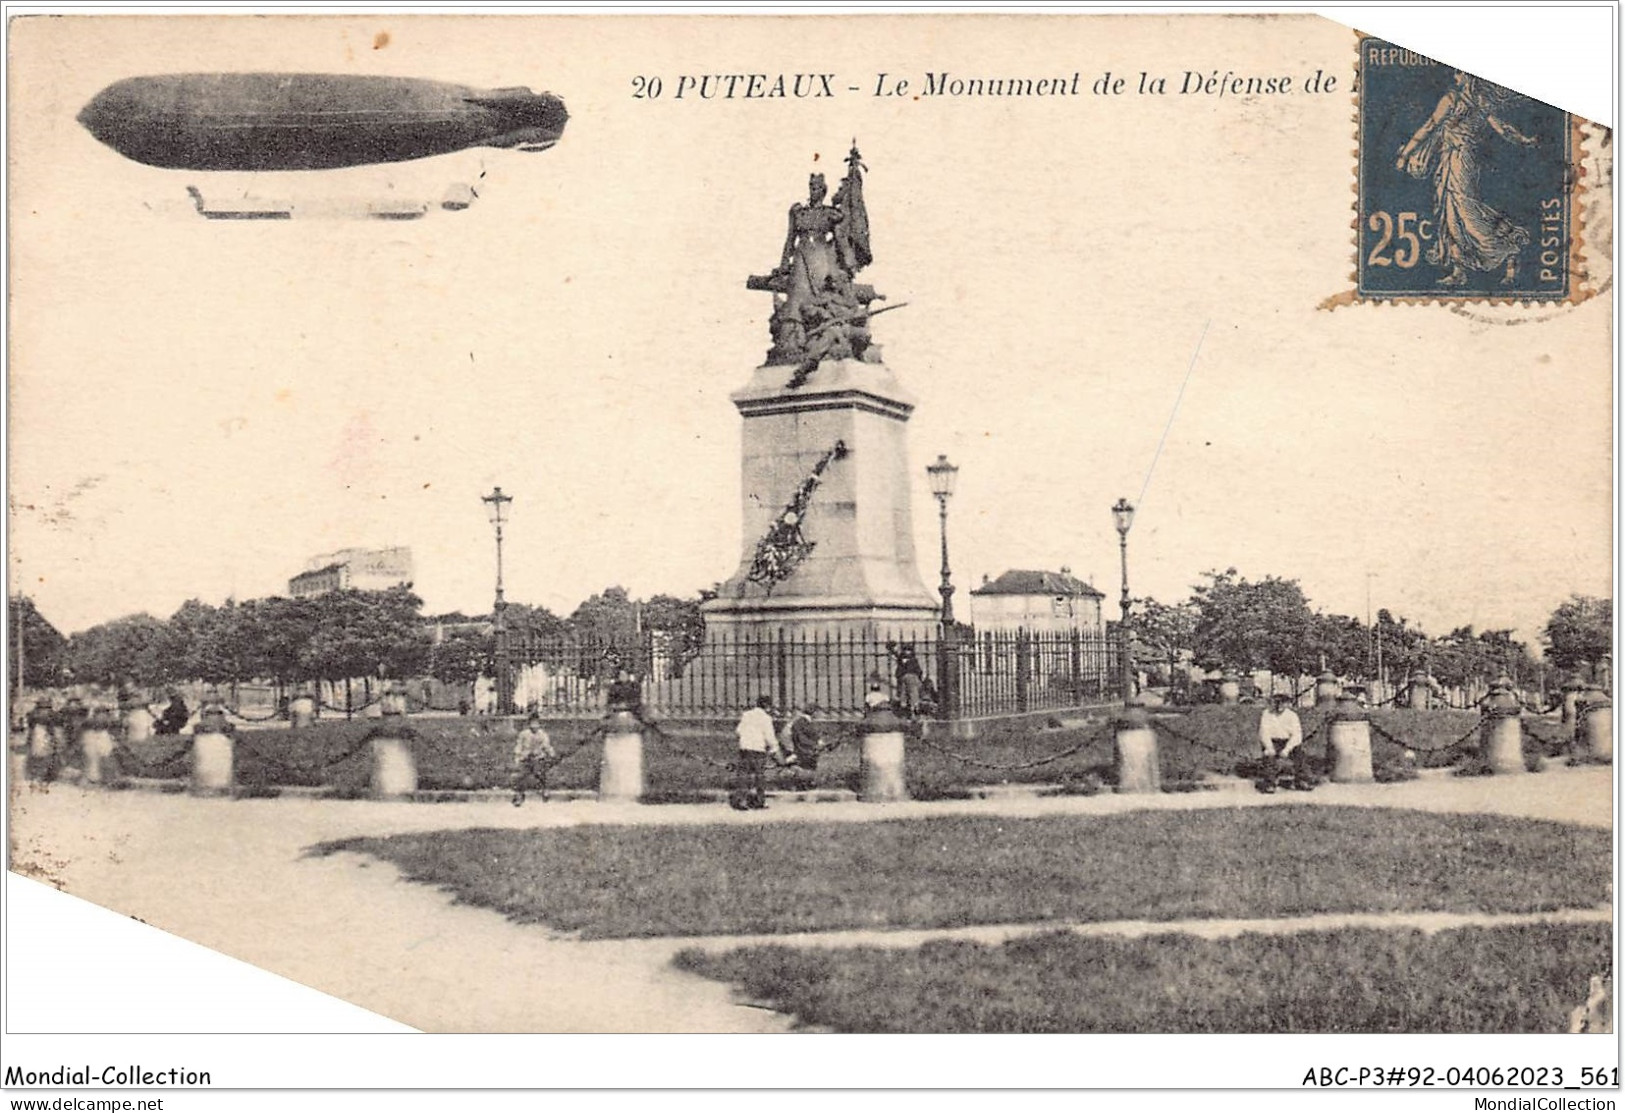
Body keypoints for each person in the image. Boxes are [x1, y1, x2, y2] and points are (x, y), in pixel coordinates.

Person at [1396, 72, 1538, 287]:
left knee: (1463, 211)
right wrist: (1523, 139)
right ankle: (1458, 269)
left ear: (1469, 77)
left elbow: (1428, 127)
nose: (1455, 75)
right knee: (1451, 211)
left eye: (1460, 72)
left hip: (1457, 159)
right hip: (1461, 159)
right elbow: (1504, 129)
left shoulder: (1451, 100)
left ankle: (1505, 250)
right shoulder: (1481, 102)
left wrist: (1405, 154)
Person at [731, 694, 780, 810]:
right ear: (766, 706)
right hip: (758, 750)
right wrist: (774, 749)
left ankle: (741, 800)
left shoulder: (746, 715)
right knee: (760, 776)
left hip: (745, 748)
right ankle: (760, 801)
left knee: (743, 775)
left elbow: (738, 731)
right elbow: (769, 737)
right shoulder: (766, 718)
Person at [1256, 692, 1312, 793]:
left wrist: (1287, 749)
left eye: (1283, 703)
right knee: (1268, 756)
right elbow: (1263, 733)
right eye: (1277, 702)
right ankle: (1270, 783)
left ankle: (1302, 781)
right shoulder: (1266, 714)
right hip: (1273, 741)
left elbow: (1297, 735)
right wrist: (1269, 747)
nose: (1279, 705)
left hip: (1288, 742)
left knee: (1300, 754)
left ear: (1287, 704)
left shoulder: (1292, 716)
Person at [511, 713, 556, 807]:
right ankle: (519, 795)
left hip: (537, 758)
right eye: (532, 723)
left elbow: (546, 746)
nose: (534, 726)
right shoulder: (524, 734)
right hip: (526, 758)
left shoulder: (542, 734)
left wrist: (551, 753)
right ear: (528, 724)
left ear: (539, 724)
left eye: (536, 723)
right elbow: (519, 745)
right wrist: (518, 755)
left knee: (540, 773)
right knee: (521, 776)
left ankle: (545, 790)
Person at [781, 706, 822, 789]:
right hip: (794, 747)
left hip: (792, 746)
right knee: (806, 762)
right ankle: (802, 782)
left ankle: (803, 782)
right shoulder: (801, 721)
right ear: (814, 712)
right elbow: (800, 737)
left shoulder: (801, 721)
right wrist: (814, 744)